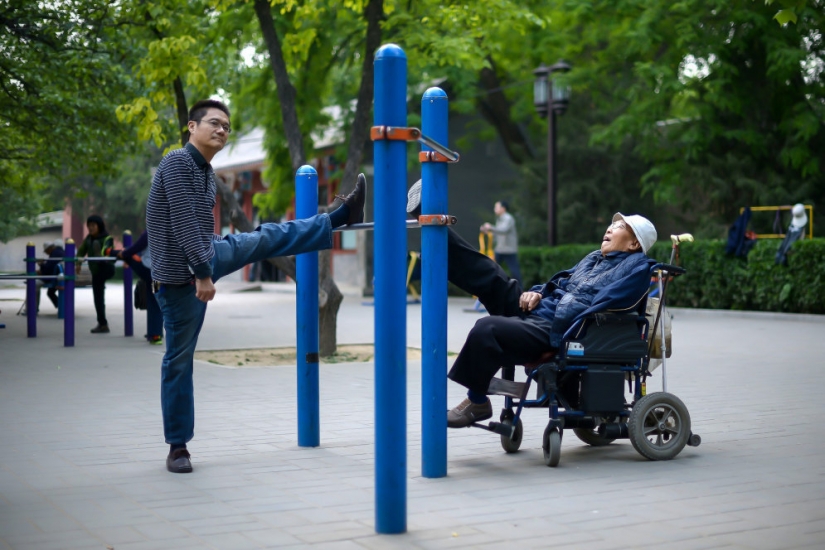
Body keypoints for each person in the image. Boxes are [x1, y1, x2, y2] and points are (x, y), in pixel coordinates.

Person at [146, 98, 366, 474]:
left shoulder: (205, 175)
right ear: (191, 127)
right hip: (180, 280)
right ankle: (178, 447)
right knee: (179, 361)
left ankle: (338, 217)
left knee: (266, 236)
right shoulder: (177, 163)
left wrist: (209, 259)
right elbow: (182, 224)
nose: (221, 130)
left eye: (226, 127)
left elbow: (198, 229)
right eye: (214, 123)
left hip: (207, 254)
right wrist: (203, 274)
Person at [116, 231, 163, 345]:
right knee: (154, 300)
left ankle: (155, 334)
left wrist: (124, 255)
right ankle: (155, 333)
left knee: (153, 301)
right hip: (159, 273)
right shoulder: (167, 230)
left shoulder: (151, 231)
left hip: (149, 271)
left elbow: (136, 248)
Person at [77, 215, 115, 333]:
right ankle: (102, 324)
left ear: (99, 226)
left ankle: (100, 256)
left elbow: (108, 249)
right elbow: (81, 251)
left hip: (107, 267)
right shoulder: (88, 239)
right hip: (96, 272)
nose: (90, 228)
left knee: (98, 293)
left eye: (93, 225)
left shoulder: (107, 238)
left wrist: (102, 255)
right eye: (89, 226)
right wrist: (78, 263)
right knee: (98, 298)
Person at [481, 200, 522, 286]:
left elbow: (504, 230)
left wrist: (490, 227)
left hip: (509, 250)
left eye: (496, 207)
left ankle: (520, 291)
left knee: (515, 272)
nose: (494, 209)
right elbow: (497, 233)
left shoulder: (508, 218)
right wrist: (487, 230)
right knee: (493, 269)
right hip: (499, 249)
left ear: (503, 208)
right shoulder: (499, 219)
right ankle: (490, 288)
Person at [35, 240, 65, 313]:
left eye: (45, 251)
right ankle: (62, 307)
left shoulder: (55, 254)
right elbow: (51, 266)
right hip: (60, 276)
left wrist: (41, 265)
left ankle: (33, 308)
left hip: (56, 278)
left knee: (34, 284)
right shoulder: (60, 252)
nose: (46, 253)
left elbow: (48, 269)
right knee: (50, 292)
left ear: (50, 248)